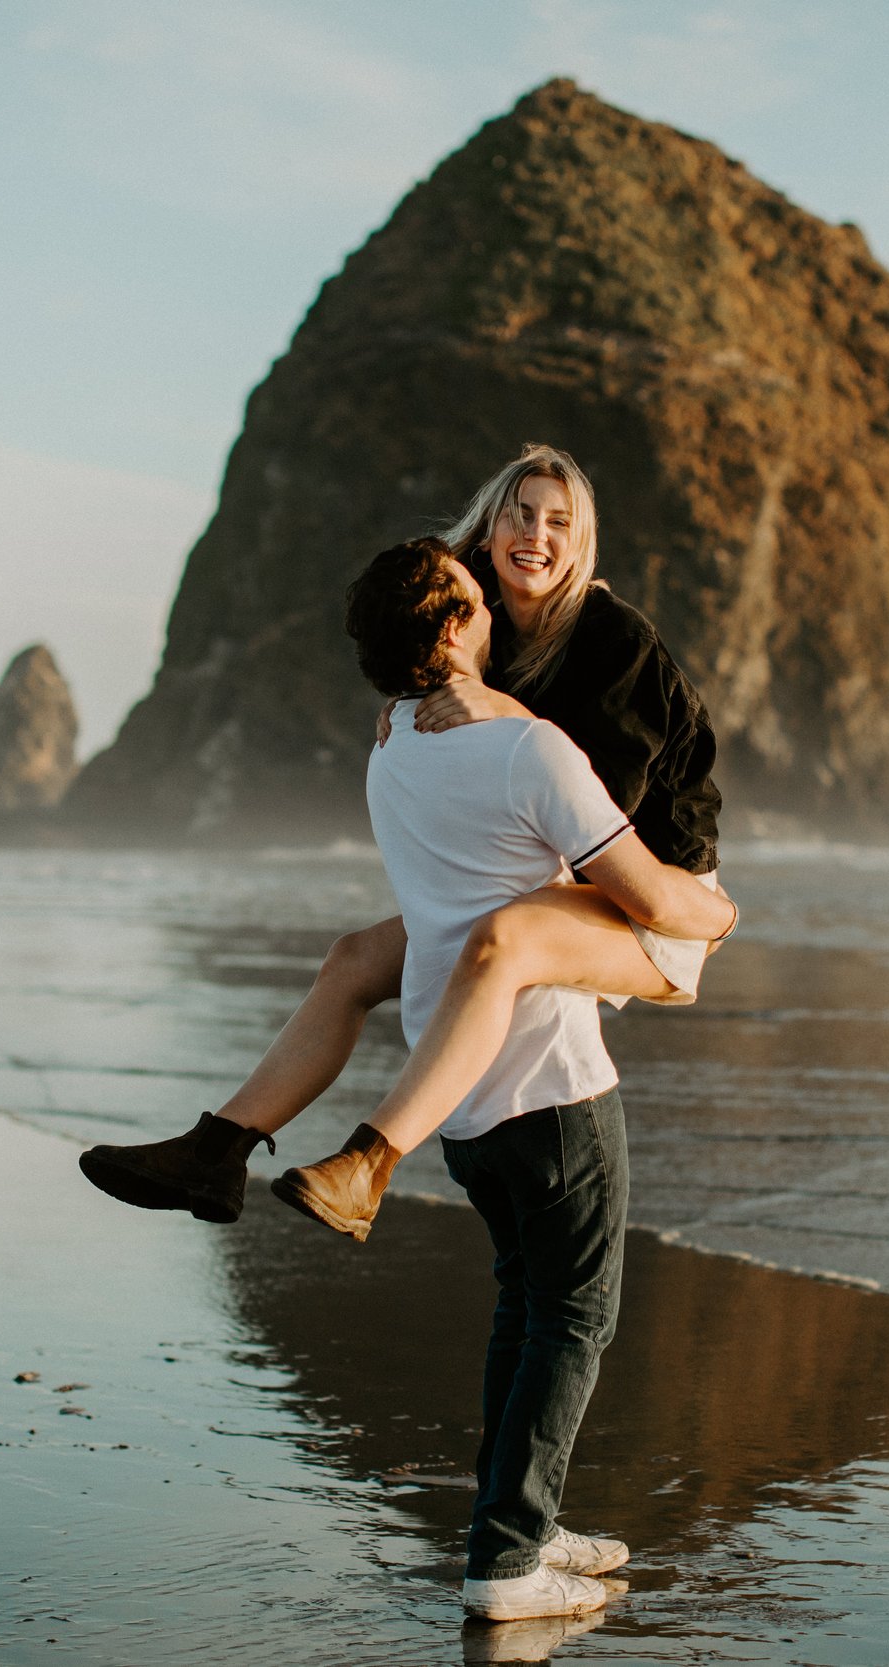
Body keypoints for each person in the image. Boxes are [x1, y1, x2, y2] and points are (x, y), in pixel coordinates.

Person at [79, 446, 727, 1236]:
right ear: (489, 528)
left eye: (560, 521)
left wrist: (504, 711)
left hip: (654, 901)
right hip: (554, 881)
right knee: (352, 958)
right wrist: (409, 694)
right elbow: (418, 631)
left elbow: (598, 816)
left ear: (581, 542)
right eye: (521, 513)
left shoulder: (610, 640)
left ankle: (370, 1162)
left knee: (503, 939)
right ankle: (215, 1151)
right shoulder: (476, 603)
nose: (537, 534)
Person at [331, 538, 731, 1621]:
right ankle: (507, 1562)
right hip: (552, 1079)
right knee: (572, 1319)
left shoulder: (394, 747)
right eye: (472, 598)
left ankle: (521, 1525)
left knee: (524, 1307)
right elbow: (642, 889)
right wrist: (718, 914)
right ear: (456, 625)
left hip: (456, 1090)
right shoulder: (528, 750)